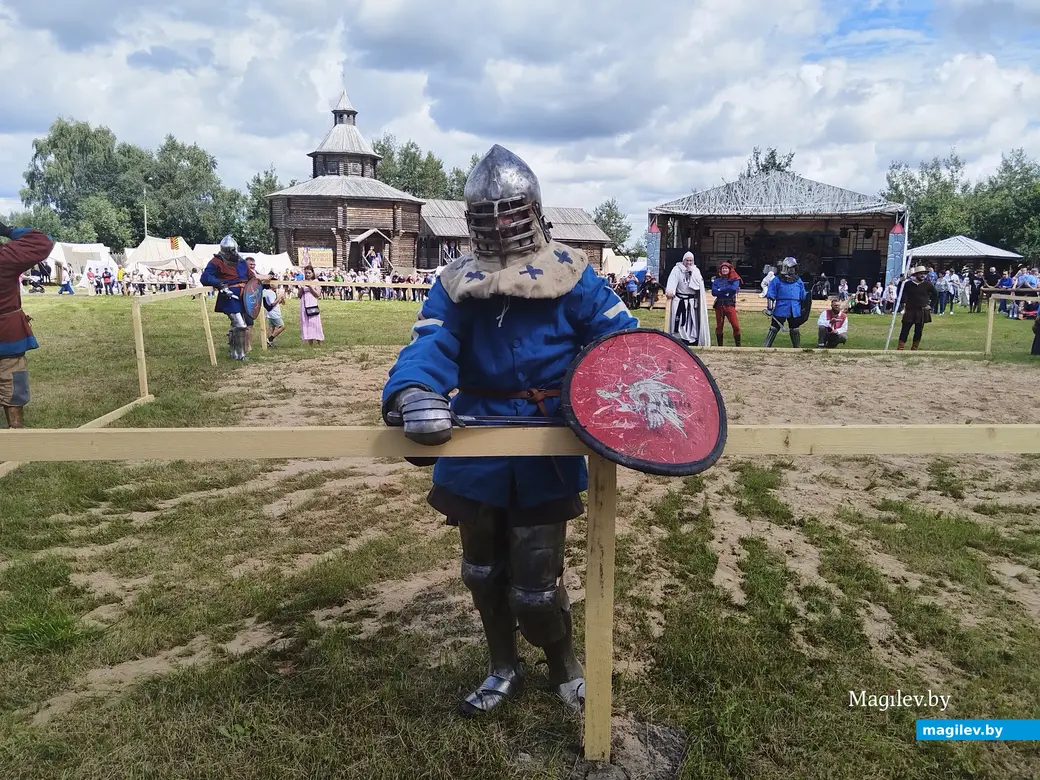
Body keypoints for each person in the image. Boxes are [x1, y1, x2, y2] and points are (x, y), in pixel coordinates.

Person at [381, 144, 638, 717]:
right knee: (480, 572)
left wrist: (595, 393)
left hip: (546, 443)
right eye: (486, 215)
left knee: (535, 586)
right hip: (477, 446)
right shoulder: (455, 284)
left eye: (511, 212)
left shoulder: (573, 274)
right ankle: (502, 666)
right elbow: (433, 342)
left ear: (534, 211)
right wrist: (414, 389)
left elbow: (619, 344)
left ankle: (564, 666)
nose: (499, 224)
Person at [0, 221, 55, 428]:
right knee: (12, 380)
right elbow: (42, 241)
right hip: (7, 335)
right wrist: (7, 231)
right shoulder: (5, 258)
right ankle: (16, 432)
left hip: (7, 331)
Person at [200, 235, 256, 361]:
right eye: (232, 251)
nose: (234, 253)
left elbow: (251, 276)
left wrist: (254, 288)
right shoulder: (216, 262)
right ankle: (241, 355)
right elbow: (205, 277)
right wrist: (220, 285)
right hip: (229, 296)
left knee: (236, 325)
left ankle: (234, 352)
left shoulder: (241, 261)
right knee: (241, 325)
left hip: (243, 296)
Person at [665, 252, 710, 346]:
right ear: (683, 260)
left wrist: (692, 273)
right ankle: (680, 338)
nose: (688, 262)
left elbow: (698, 285)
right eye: (687, 260)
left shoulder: (696, 270)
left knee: (691, 320)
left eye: (690, 260)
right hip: (680, 300)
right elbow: (672, 281)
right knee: (680, 320)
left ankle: (691, 338)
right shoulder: (677, 269)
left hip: (691, 301)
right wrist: (670, 290)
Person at [764, 257, 807, 347]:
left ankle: (796, 347)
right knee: (774, 328)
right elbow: (771, 294)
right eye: (790, 268)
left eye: (794, 268)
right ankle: (766, 346)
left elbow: (803, 296)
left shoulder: (798, 280)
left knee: (795, 328)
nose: (792, 270)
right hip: (781, 306)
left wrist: (803, 308)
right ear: (785, 268)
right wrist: (769, 308)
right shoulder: (777, 280)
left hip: (795, 308)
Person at [897, 265, 935, 350]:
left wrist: (931, 306)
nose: (923, 275)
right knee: (905, 330)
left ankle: (914, 348)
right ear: (916, 274)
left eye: (924, 274)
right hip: (910, 310)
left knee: (918, 331)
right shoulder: (908, 284)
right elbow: (900, 293)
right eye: (921, 274)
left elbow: (935, 295)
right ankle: (900, 347)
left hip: (921, 311)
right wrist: (900, 282)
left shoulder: (928, 285)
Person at [711, 260, 741, 346]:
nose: (724, 270)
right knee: (719, 326)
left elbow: (733, 289)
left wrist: (720, 290)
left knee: (735, 325)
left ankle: (738, 345)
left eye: (726, 268)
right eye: (723, 268)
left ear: (729, 269)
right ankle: (720, 346)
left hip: (729, 305)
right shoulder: (716, 281)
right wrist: (725, 291)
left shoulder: (735, 279)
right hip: (719, 305)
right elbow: (714, 292)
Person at [299, 266, 324, 345]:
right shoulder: (303, 281)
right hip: (304, 303)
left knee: (315, 322)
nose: (307, 274)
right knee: (306, 322)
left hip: (313, 303)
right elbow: (299, 295)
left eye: (309, 273)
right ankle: (310, 343)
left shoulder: (316, 281)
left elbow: (318, 294)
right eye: (306, 273)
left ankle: (319, 341)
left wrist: (310, 287)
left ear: (312, 273)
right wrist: (301, 288)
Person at [262, 282, 286, 347]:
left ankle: (270, 344)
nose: (277, 284)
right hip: (274, 313)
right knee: (282, 326)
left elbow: (275, 303)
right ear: (271, 284)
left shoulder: (266, 292)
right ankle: (269, 339)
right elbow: (273, 303)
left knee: (271, 328)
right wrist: (279, 296)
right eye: (276, 283)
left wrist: (281, 299)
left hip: (270, 313)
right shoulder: (271, 293)